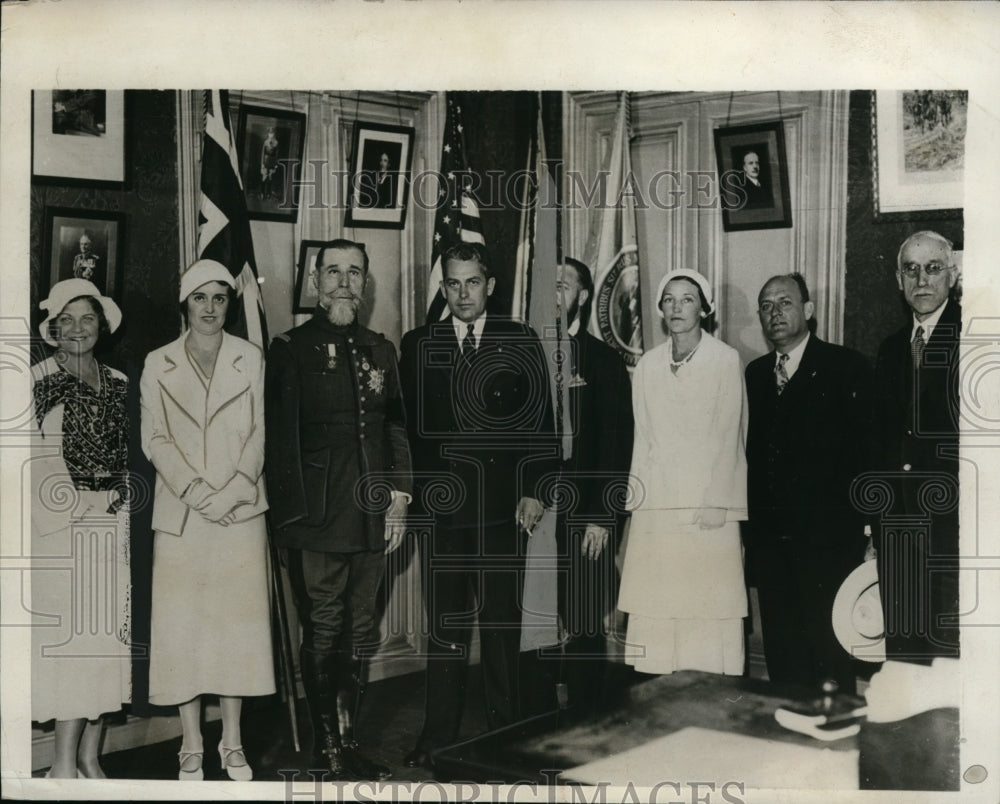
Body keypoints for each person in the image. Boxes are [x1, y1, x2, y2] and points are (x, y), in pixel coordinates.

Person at [399, 241, 556, 769]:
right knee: (444, 628)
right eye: (452, 283)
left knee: (500, 627)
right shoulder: (419, 343)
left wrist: (534, 489)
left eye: (472, 282)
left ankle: (504, 733)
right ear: (442, 287)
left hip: (501, 511)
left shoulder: (519, 339)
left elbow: (540, 420)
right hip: (442, 512)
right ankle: (436, 737)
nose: (462, 294)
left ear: (489, 285)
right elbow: (406, 431)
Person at [265, 239, 411, 781]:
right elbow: (279, 442)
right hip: (317, 518)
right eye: (333, 272)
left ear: (366, 284)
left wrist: (400, 497)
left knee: (360, 628)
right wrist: (288, 524)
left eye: (354, 273)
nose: (344, 283)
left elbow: (395, 427)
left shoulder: (381, 349)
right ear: (315, 282)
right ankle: (327, 749)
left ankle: (348, 743)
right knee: (323, 629)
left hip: (372, 514)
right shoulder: (291, 348)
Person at [141, 260, 275, 781]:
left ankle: (232, 741)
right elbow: (155, 437)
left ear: (229, 304)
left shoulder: (250, 357)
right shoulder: (158, 362)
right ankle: (192, 741)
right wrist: (197, 493)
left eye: (220, 298)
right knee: (184, 628)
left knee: (235, 627)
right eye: (200, 298)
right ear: (185, 304)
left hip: (239, 511)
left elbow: (261, 431)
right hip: (183, 514)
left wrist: (234, 491)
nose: (210, 308)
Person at [745, 273, 873, 694]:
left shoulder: (846, 367)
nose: (775, 313)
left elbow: (867, 456)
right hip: (772, 550)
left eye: (785, 302)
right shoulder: (756, 374)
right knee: (784, 663)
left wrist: (868, 530)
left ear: (808, 310)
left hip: (828, 549)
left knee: (830, 661)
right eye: (766, 306)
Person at [618, 268, 748, 675]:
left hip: (707, 509)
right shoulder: (648, 365)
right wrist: (636, 505)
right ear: (660, 309)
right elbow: (642, 439)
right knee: (658, 609)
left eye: (687, 299)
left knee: (706, 608)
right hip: (657, 510)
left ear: (704, 309)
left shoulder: (724, 359)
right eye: (669, 300)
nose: (677, 308)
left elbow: (730, 435)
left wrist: (718, 502)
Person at [31, 279, 131, 779]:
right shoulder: (36, 380)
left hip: (113, 525)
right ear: (52, 328)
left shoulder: (119, 381)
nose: (77, 328)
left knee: (108, 645)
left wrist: (121, 499)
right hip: (62, 531)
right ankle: (61, 766)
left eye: (87, 318)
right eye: (65, 320)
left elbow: (134, 452)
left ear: (102, 325)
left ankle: (90, 757)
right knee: (74, 647)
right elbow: (28, 460)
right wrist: (75, 506)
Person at [872, 231, 961, 664]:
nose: (921, 279)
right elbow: (880, 442)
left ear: (953, 275)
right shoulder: (891, 349)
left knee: (949, 664)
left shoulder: (977, 338)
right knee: (904, 663)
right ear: (897, 280)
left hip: (954, 534)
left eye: (933, 268)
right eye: (910, 269)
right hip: (898, 535)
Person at [551, 258, 634, 706]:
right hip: (533, 516)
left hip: (585, 517)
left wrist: (603, 516)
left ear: (583, 296)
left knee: (583, 623)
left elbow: (617, 444)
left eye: (563, 286)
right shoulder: (522, 353)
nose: (553, 294)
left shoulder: (603, 360)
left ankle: (586, 722)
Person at [260, 127, 279, 201]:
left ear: (274, 134)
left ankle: (268, 193)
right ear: (268, 134)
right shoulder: (265, 142)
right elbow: (263, 153)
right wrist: (262, 163)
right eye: (270, 133)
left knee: (270, 177)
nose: (271, 135)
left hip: (272, 162)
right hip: (266, 161)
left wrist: (276, 164)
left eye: (272, 133)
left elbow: (277, 154)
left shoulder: (276, 143)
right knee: (264, 177)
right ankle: (262, 193)